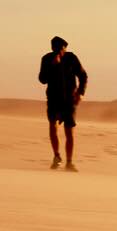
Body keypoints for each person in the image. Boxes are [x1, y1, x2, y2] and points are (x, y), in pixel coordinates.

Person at [38, 36, 88, 170]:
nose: (59, 51)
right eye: (55, 48)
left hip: (69, 100)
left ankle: (69, 162)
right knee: (53, 126)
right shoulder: (47, 59)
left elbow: (83, 75)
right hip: (53, 99)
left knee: (69, 131)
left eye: (61, 48)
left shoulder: (72, 58)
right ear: (52, 48)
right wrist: (51, 66)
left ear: (65, 48)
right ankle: (57, 156)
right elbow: (42, 79)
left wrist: (81, 92)